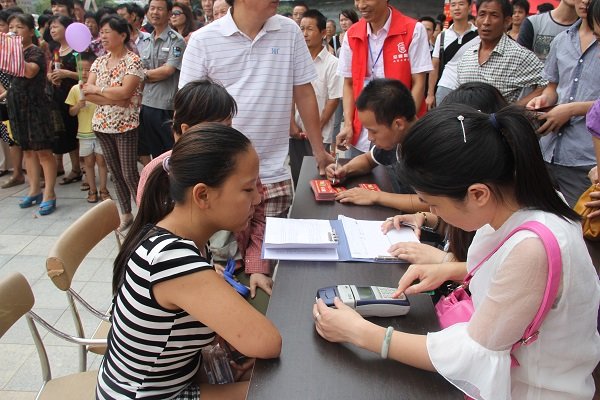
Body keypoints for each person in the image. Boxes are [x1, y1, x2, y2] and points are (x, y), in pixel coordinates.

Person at [314, 104, 600, 399]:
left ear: (477, 193)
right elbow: (520, 280)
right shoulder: (533, 205)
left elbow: (474, 351)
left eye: (434, 204)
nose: (432, 212)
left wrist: (362, 334)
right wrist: (450, 268)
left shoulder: (532, 247)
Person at [97, 124, 282, 399]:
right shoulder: (171, 258)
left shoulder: (178, 234)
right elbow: (267, 342)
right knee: (281, 390)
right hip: (149, 395)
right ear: (203, 195)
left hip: (174, 378)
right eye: (247, 189)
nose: (257, 199)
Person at [180, 0, 334, 219]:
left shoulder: (289, 31)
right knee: (225, 251)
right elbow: (187, 108)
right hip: (221, 178)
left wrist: (319, 151)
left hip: (274, 174)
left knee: (269, 248)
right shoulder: (202, 41)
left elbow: (304, 93)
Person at [137, 79, 273, 311]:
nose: (227, 137)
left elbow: (259, 216)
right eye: (217, 130)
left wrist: (256, 266)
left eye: (229, 128)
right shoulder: (158, 174)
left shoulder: (240, 164)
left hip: (239, 267)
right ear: (186, 131)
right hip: (187, 273)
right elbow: (155, 239)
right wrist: (203, 266)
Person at [336, 0, 433, 157]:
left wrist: (403, 126)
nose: (360, 5)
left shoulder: (413, 30)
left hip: (398, 134)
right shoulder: (352, 35)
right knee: (358, 177)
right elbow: (348, 83)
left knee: (394, 179)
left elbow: (418, 82)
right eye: (357, 0)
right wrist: (347, 125)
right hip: (361, 134)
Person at [527, 0, 599, 207]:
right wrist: (543, 100)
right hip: (548, 150)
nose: (585, 1)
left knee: (583, 228)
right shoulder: (561, 40)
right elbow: (553, 87)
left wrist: (572, 109)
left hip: (586, 157)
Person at [326, 78, 428, 212]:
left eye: (373, 131)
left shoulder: (429, 147)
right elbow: (368, 160)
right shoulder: (395, 138)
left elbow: (431, 204)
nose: (369, 137)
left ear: (398, 124)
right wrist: (345, 171)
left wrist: (376, 197)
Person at [82, 15, 144, 231]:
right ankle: (126, 214)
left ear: (123, 35)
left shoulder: (133, 60)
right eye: (102, 32)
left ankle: (146, 215)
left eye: (108, 31)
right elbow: (86, 93)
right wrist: (114, 97)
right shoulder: (98, 61)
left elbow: (127, 92)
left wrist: (100, 91)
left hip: (125, 125)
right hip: (101, 124)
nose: (103, 36)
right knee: (115, 173)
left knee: (129, 172)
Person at [6, 13, 57, 215]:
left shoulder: (34, 52)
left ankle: (49, 193)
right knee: (27, 151)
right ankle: (34, 189)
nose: (14, 31)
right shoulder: (9, 52)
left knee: (43, 151)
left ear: (30, 30)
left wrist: (15, 50)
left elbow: (29, 72)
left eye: (19, 27)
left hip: (36, 107)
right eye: (11, 27)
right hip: (18, 106)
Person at [290, 9, 343, 186]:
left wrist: (315, 126)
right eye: (301, 29)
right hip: (296, 133)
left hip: (320, 134)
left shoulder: (332, 63)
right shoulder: (294, 61)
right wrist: (292, 124)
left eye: (309, 29)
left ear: (322, 33)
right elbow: (289, 94)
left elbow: (333, 99)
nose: (304, 34)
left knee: (318, 179)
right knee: (298, 178)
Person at [457, 0, 547, 104]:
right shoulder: (467, 55)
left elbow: (548, 84)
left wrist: (515, 109)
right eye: (482, 14)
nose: (486, 22)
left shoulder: (519, 55)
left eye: (494, 15)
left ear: (507, 21)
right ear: (476, 19)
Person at [139, 0, 186, 166]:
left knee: (171, 153)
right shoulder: (146, 40)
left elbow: (168, 70)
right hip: (147, 104)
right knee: (156, 154)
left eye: (159, 9)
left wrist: (143, 75)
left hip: (166, 106)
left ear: (168, 13)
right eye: (152, 8)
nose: (155, 12)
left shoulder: (176, 40)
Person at [65, 52, 111, 203]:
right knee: (88, 163)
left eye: (88, 69)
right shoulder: (75, 89)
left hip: (100, 131)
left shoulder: (99, 87)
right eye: (81, 69)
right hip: (84, 133)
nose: (84, 73)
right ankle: (92, 190)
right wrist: (79, 105)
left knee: (102, 162)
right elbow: (71, 112)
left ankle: (104, 189)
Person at [47, 15, 83, 185]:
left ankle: (77, 168)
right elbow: (49, 71)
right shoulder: (55, 50)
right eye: (51, 27)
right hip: (57, 96)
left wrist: (67, 74)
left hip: (74, 97)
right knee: (60, 132)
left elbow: (85, 75)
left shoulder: (76, 51)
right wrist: (51, 76)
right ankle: (62, 167)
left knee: (73, 132)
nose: (52, 30)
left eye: (56, 26)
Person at [426, 0, 480, 109]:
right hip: (446, 86)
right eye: (453, 5)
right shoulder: (443, 36)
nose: (457, 8)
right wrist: (430, 94)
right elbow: (434, 65)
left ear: (470, 8)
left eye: (461, 4)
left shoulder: (479, 35)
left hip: (471, 89)